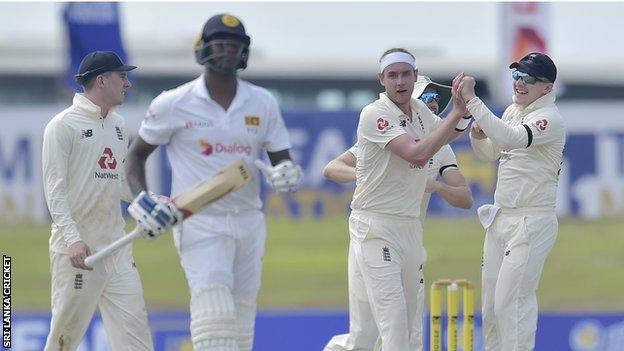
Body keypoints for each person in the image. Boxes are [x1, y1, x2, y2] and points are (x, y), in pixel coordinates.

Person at [124, 14, 301, 351]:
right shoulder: (174, 102)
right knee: (214, 314)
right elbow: (135, 158)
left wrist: (287, 175)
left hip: (249, 220)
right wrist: (141, 200)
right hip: (198, 220)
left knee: (241, 320)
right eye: (220, 45)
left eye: (234, 46)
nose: (227, 52)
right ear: (202, 49)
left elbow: (283, 162)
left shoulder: (262, 102)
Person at [323, 47, 469, 351]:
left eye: (405, 74)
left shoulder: (420, 113)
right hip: (375, 227)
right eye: (393, 75)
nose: (400, 82)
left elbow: (451, 133)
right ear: (382, 79)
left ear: (413, 76)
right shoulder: (375, 114)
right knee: (397, 331)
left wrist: (468, 111)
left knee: (366, 337)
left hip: (410, 228)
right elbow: (417, 153)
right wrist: (456, 111)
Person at [42, 51, 179, 350]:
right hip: (79, 252)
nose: (128, 84)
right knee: (65, 338)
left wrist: (149, 200)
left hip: (116, 249)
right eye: (122, 77)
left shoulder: (117, 125)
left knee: (135, 337)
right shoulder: (62, 126)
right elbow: (55, 191)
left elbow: (117, 181)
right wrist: (74, 240)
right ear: (102, 80)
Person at [457, 52, 565, 351]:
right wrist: (478, 136)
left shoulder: (549, 119)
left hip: (532, 221)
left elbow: (510, 140)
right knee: (491, 308)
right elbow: (490, 152)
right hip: (501, 218)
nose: (519, 83)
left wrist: (474, 103)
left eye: (528, 78)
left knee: (512, 304)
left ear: (547, 87)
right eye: (516, 76)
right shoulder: (512, 111)